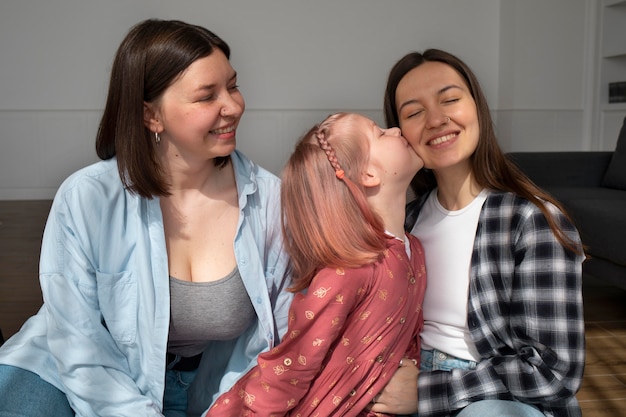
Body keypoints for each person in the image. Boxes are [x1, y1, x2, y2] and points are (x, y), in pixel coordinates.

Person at [0, 19, 293, 417]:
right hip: (64, 372)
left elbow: (283, 338)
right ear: (151, 116)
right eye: (207, 96)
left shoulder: (271, 201)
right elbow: (78, 342)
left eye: (234, 86)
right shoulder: (86, 198)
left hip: (202, 387)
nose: (234, 106)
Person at [370, 49, 586, 417]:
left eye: (450, 99)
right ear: (401, 132)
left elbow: (553, 371)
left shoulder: (531, 221)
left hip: (501, 399)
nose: (436, 119)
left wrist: (426, 392)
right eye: (414, 112)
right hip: (410, 383)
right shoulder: (407, 224)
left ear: (477, 108)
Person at [203, 112, 427, 417]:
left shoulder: (414, 250)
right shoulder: (348, 270)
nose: (396, 130)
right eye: (380, 133)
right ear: (368, 174)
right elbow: (293, 365)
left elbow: (408, 341)